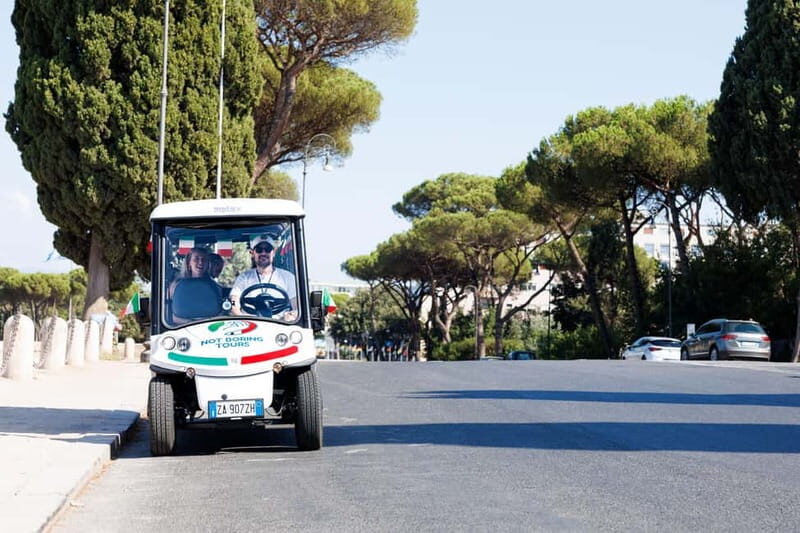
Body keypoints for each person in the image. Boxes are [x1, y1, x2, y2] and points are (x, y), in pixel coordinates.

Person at [230, 235, 297, 320]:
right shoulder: (243, 278)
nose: (263, 253)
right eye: (259, 250)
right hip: (250, 324)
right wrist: (242, 319)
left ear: (273, 252)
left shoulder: (288, 277)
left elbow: (297, 307)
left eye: (268, 249)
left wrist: (291, 315)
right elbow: (234, 304)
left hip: (279, 324)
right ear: (252, 253)